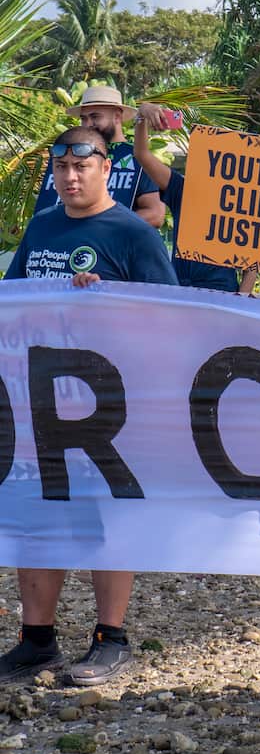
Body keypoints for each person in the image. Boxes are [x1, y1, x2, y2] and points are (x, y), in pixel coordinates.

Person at [0, 126, 178, 686]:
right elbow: (12, 298)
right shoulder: (42, 225)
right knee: (38, 514)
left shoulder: (133, 234)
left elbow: (173, 315)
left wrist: (109, 298)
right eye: (61, 168)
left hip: (111, 404)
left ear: (106, 169)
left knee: (109, 517)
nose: (71, 177)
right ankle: (36, 641)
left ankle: (111, 638)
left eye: (82, 167)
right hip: (38, 400)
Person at [131, 103, 260, 293]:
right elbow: (141, 154)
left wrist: (240, 299)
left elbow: (253, 259)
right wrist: (142, 116)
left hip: (221, 295)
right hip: (181, 292)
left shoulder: (243, 200)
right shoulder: (184, 189)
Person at [36, 85, 166, 228]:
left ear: (117, 116)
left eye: (95, 117)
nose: (88, 124)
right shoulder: (65, 154)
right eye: (84, 119)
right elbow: (44, 211)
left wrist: (101, 228)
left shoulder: (138, 158)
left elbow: (155, 214)